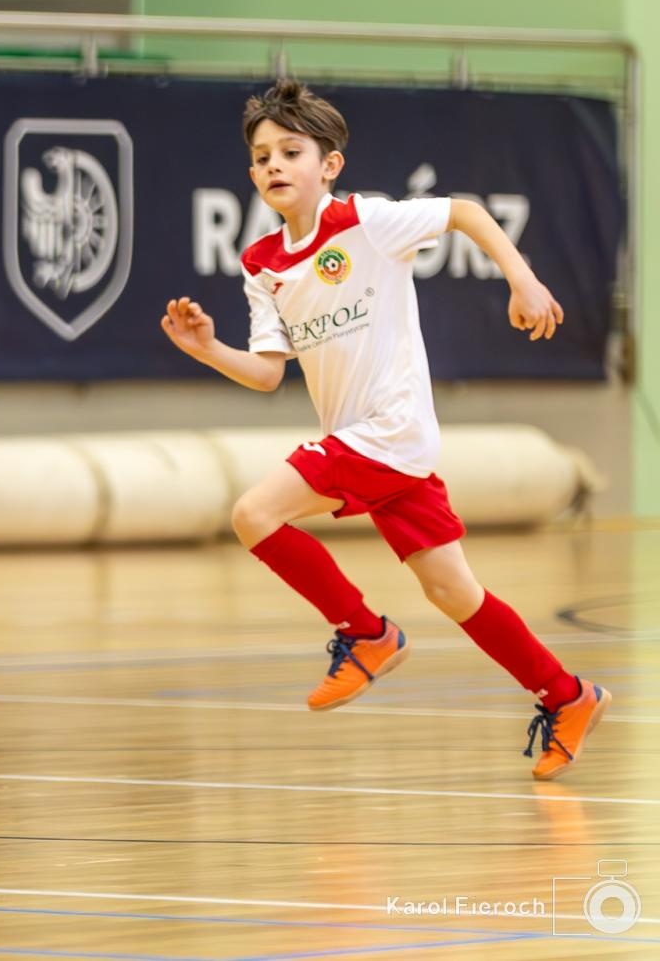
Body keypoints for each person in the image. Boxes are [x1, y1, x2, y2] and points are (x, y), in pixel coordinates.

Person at [160, 78, 609, 780]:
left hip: (387, 434)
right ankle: (568, 694)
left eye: (292, 151)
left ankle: (367, 634)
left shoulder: (367, 222)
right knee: (454, 593)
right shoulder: (261, 265)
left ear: (329, 164)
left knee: (253, 514)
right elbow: (270, 373)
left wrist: (522, 280)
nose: (275, 165)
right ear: (251, 174)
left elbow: (463, 212)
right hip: (377, 450)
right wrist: (208, 350)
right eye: (263, 156)